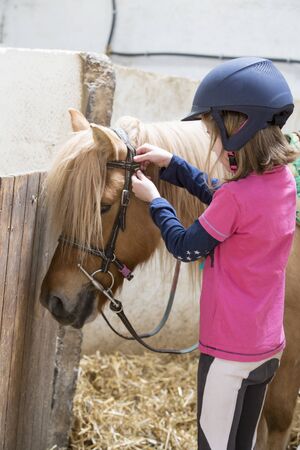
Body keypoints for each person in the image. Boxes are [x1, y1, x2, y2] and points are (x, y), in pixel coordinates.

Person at [131, 57, 297, 450]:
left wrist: (156, 200)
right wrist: (172, 164)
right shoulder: (283, 183)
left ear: (238, 131)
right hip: (266, 351)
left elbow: (186, 247)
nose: (212, 144)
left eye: (213, 134)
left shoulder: (237, 197)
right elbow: (223, 197)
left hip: (228, 358)